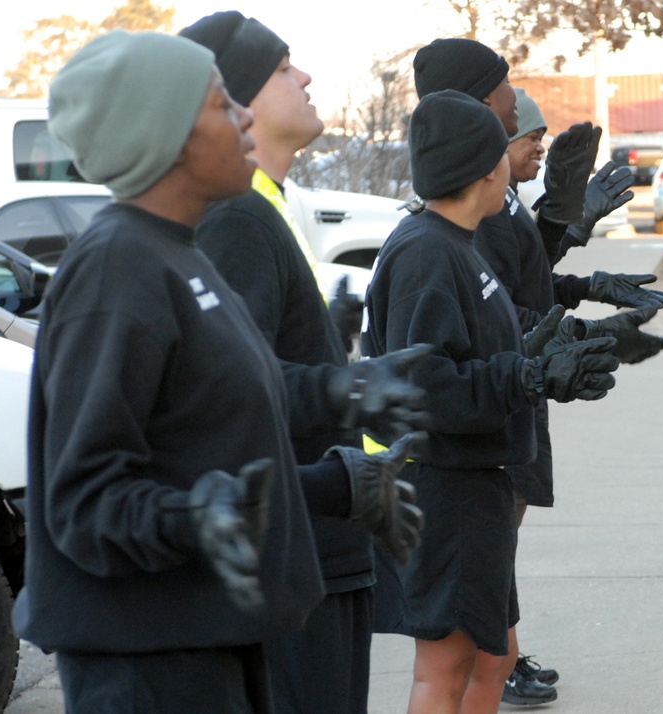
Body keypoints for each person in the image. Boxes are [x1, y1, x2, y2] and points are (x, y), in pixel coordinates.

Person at [12, 29, 421, 713]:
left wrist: (338, 389)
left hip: (211, 635)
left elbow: (230, 394)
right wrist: (191, 518)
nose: (244, 118)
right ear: (164, 134)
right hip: (146, 658)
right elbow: (80, 497)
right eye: (220, 104)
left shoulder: (179, 252)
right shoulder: (117, 266)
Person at [412, 41, 663, 705]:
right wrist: (550, 355)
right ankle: (503, 655)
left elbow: (517, 289)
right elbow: (460, 356)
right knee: (451, 660)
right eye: (523, 125)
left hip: (496, 437)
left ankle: (505, 655)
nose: (534, 147)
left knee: (486, 629)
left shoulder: (480, 218)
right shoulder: (434, 242)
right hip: (467, 462)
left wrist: (583, 271)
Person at [178, 11, 427, 713]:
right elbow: (232, 398)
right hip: (297, 543)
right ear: (239, 97)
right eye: (286, 66)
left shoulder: (269, 204)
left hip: (322, 531)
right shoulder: (236, 216)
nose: (307, 76)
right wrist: (349, 393)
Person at [362, 88, 622, 714]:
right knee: (444, 666)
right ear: (485, 167)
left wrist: (541, 356)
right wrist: (525, 379)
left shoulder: (458, 241)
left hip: (475, 482)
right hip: (441, 486)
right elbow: (426, 387)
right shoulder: (426, 251)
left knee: (492, 655)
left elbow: (480, 346)